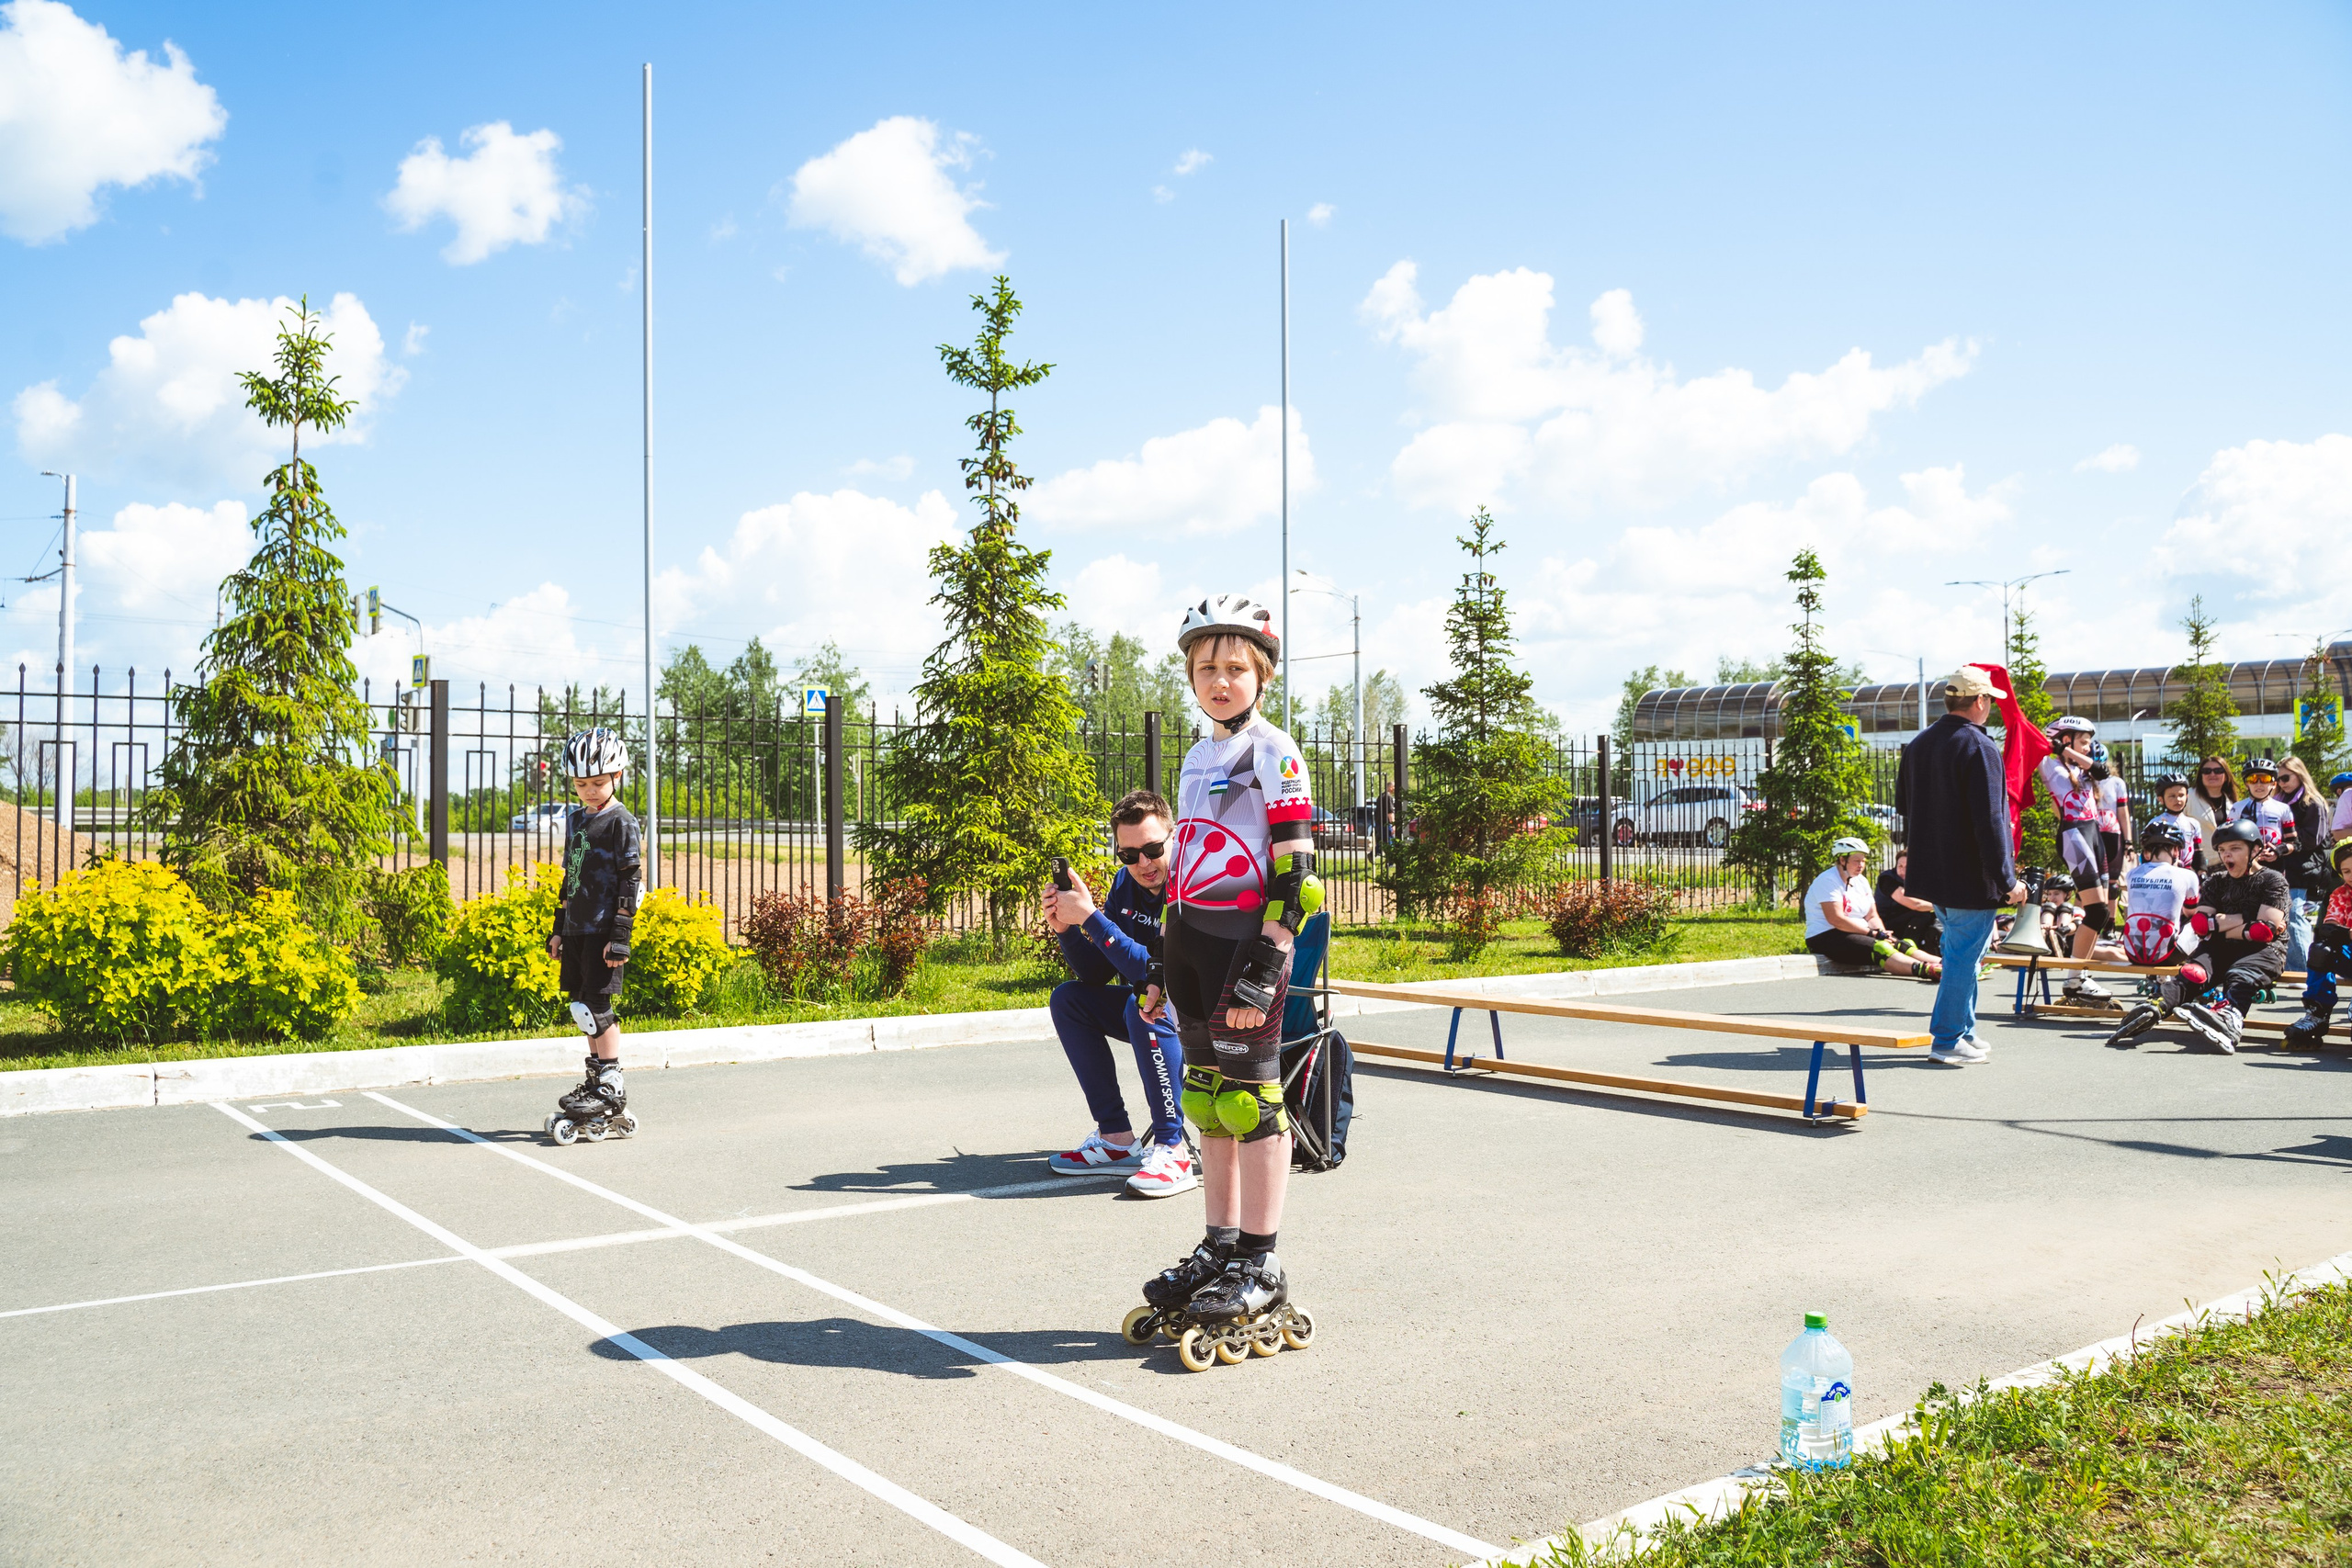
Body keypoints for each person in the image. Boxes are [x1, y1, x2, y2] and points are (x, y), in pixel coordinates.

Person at [1135, 594, 1319, 1347]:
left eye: (1235, 667)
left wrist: (1265, 962)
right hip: (1189, 948)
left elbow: (1300, 877)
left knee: (1253, 1104)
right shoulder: (1194, 755)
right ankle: (1220, 1242)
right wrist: (1156, 964)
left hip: (1246, 950)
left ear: (1263, 675)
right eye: (1206, 667)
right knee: (1208, 1101)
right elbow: (1182, 869)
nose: (1220, 680)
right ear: (1189, 673)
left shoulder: (1274, 753)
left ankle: (1262, 1259)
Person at [1040, 788, 1197, 1197]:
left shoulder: (1191, 881)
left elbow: (1159, 973)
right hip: (1149, 1010)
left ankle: (1172, 1147)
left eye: (1152, 849)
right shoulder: (1124, 886)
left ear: (1174, 837)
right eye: (1129, 855)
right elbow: (1095, 973)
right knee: (1069, 1000)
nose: (1143, 863)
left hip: (1202, 1012)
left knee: (1144, 1003)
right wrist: (1066, 928)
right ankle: (1117, 1140)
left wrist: (1091, 918)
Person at [1894, 666, 2029, 1066]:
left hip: (1933, 871)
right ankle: (1948, 1038)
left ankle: (1963, 1030)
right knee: (1963, 957)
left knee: (1961, 951)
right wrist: (2007, 880)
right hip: (1970, 875)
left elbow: (1904, 805)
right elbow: (1990, 820)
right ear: (1980, 701)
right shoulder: (1979, 746)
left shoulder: (1919, 743)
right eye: (1990, 702)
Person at [545, 727, 642, 1141]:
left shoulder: (622, 822)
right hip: (578, 926)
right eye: (581, 783)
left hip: (605, 929)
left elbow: (631, 881)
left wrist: (620, 935)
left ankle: (611, 1082)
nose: (589, 790)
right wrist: (558, 927)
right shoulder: (575, 820)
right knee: (582, 1008)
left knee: (598, 1005)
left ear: (617, 775)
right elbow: (571, 876)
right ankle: (596, 1079)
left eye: (598, 782)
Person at [2180, 819, 2291, 1054]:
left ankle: (2230, 1021)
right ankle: (2158, 1005)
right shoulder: (2217, 880)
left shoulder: (2272, 880)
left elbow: (2264, 932)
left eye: (2235, 849)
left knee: (2240, 973)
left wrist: (2220, 924)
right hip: (2224, 948)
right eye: (2222, 850)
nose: (2226, 855)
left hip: (2266, 952)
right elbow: (2200, 925)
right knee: (2193, 972)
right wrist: (2245, 920)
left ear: (2255, 850)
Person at [2037, 716, 2116, 1002]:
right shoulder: (2049, 762)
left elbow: (2102, 771)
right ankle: (2074, 979)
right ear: (2064, 738)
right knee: (2095, 911)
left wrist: (2069, 751)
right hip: (2073, 834)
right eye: (2082, 742)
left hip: (2092, 832)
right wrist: (2058, 750)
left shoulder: (2076, 763)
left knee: (2103, 912)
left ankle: (2079, 975)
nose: (2087, 748)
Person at [1804, 839, 1940, 979]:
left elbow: (1872, 916)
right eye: (1856, 861)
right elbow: (1836, 919)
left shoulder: (1861, 881)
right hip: (1826, 936)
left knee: (1902, 945)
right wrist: (1872, 934)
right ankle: (1926, 970)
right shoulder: (1827, 880)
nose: (1861, 865)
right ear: (1842, 860)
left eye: (1863, 861)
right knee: (1881, 949)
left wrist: (1882, 933)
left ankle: (1945, 965)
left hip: (1858, 932)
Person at [2284, 837, 2352, 1050]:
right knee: (2321, 950)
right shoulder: (2341, 894)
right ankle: (2317, 1014)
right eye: (2347, 871)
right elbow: (2331, 927)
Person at [2274, 756, 2329, 971]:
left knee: (2295, 914)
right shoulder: (2278, 801)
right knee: (2285, 916)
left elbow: (2312, 838)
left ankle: (2306, 969)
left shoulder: (2312, 802)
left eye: (2286, 777)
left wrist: (2284, 843)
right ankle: (2293, 966)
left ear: (2299, 774)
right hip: (2283, 866)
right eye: (2278, 779)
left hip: (2304, 867)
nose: (2282, 783)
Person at [1873, 848, 1940, 954]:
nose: (1902, 870)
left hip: (1906, 921)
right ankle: (1908, 950)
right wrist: (1943, 906)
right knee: (1923, 914)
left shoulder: (1919, 880)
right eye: (1900, 866)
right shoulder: (1887, 879)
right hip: (1886, 924)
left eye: (1907, 867)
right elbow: (1916, 905)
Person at [2144, 774, 2208, 873]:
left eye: (2181, 795)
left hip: (2187, 873)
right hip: (2163, 873)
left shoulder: (2193, 824)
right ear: (2161, 799)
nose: (2177, 800)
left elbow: (2198, 851)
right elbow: (2147, 852)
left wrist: (2202, 871)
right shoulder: (2155, 823)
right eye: (2172, 796)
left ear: (2187, 796)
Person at [2091, 742, 2132, 891]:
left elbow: (2123, 813)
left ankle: (2111, 916)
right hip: (2092, 833)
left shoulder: (2117, 783)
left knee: (2112, 884)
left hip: (2113, 834)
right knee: (2090, 881)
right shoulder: (2081, 781)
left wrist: (2128, 842)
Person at [2186, 755, 2238, 846]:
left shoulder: (2232, 802)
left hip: (2227, 858)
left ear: (2226, 776)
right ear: (2201, 776)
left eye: (2218, 771)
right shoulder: (2188, 797)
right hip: (2198, 858)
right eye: (2207, 771)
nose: (2212, 774)